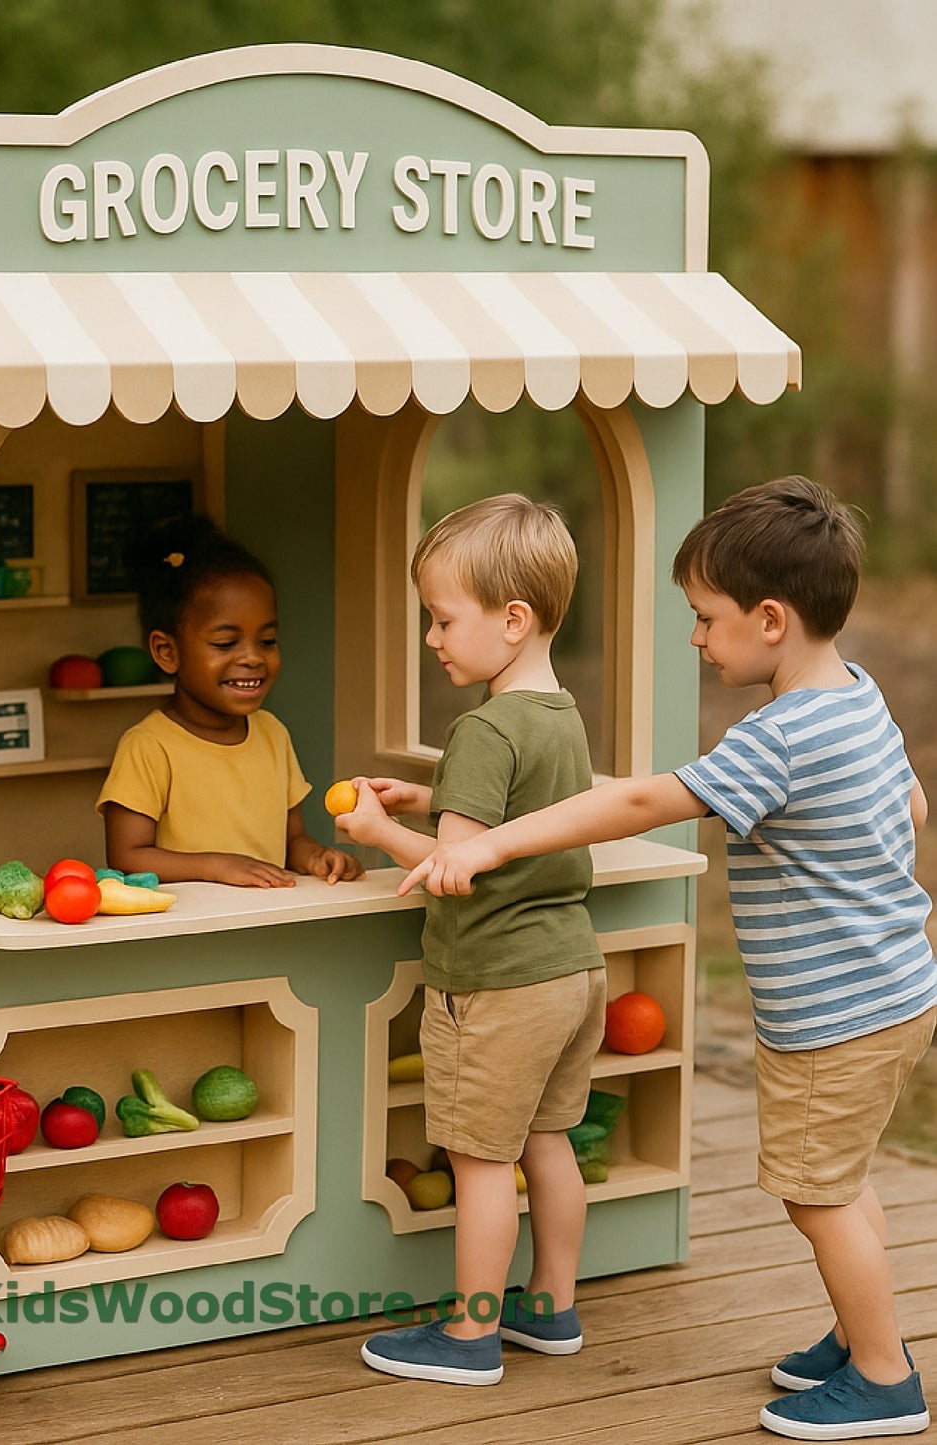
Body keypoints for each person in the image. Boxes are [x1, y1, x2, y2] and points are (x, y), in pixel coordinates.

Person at [402, 477, 935, 1440]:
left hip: (834, 1014)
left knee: (816, 1195)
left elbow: (647, 802)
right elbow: (910, 809)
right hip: (897, 985)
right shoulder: (857, 696)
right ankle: (858, 1332)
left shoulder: (775, 735)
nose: (695, 638)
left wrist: (486, 841)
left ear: (768, 619)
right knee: (844, 1181)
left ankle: (884, 1375)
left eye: (704, 618)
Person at [336, 493, 606, 1386]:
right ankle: (551, 1307)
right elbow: (514, 814)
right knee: (547, 1140)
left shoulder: (483, 726)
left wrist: (381, 835)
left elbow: (457, 865)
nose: (431, 637)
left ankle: (467, 1335)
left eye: (443, 618)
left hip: (495, 984)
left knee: (480, 1160)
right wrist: (433, 794)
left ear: (512, 619)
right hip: (570, 972)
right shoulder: (556, 713)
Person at [98, 515, 363, 887]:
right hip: (188, 937)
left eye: (267, 640)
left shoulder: (273, 734)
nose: (253, 657)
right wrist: (218, 867)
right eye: (225, 643)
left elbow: (291, 842)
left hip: (266, 927)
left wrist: (318, 857)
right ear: (166, 651)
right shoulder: (148, 746)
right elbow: (127, 858)